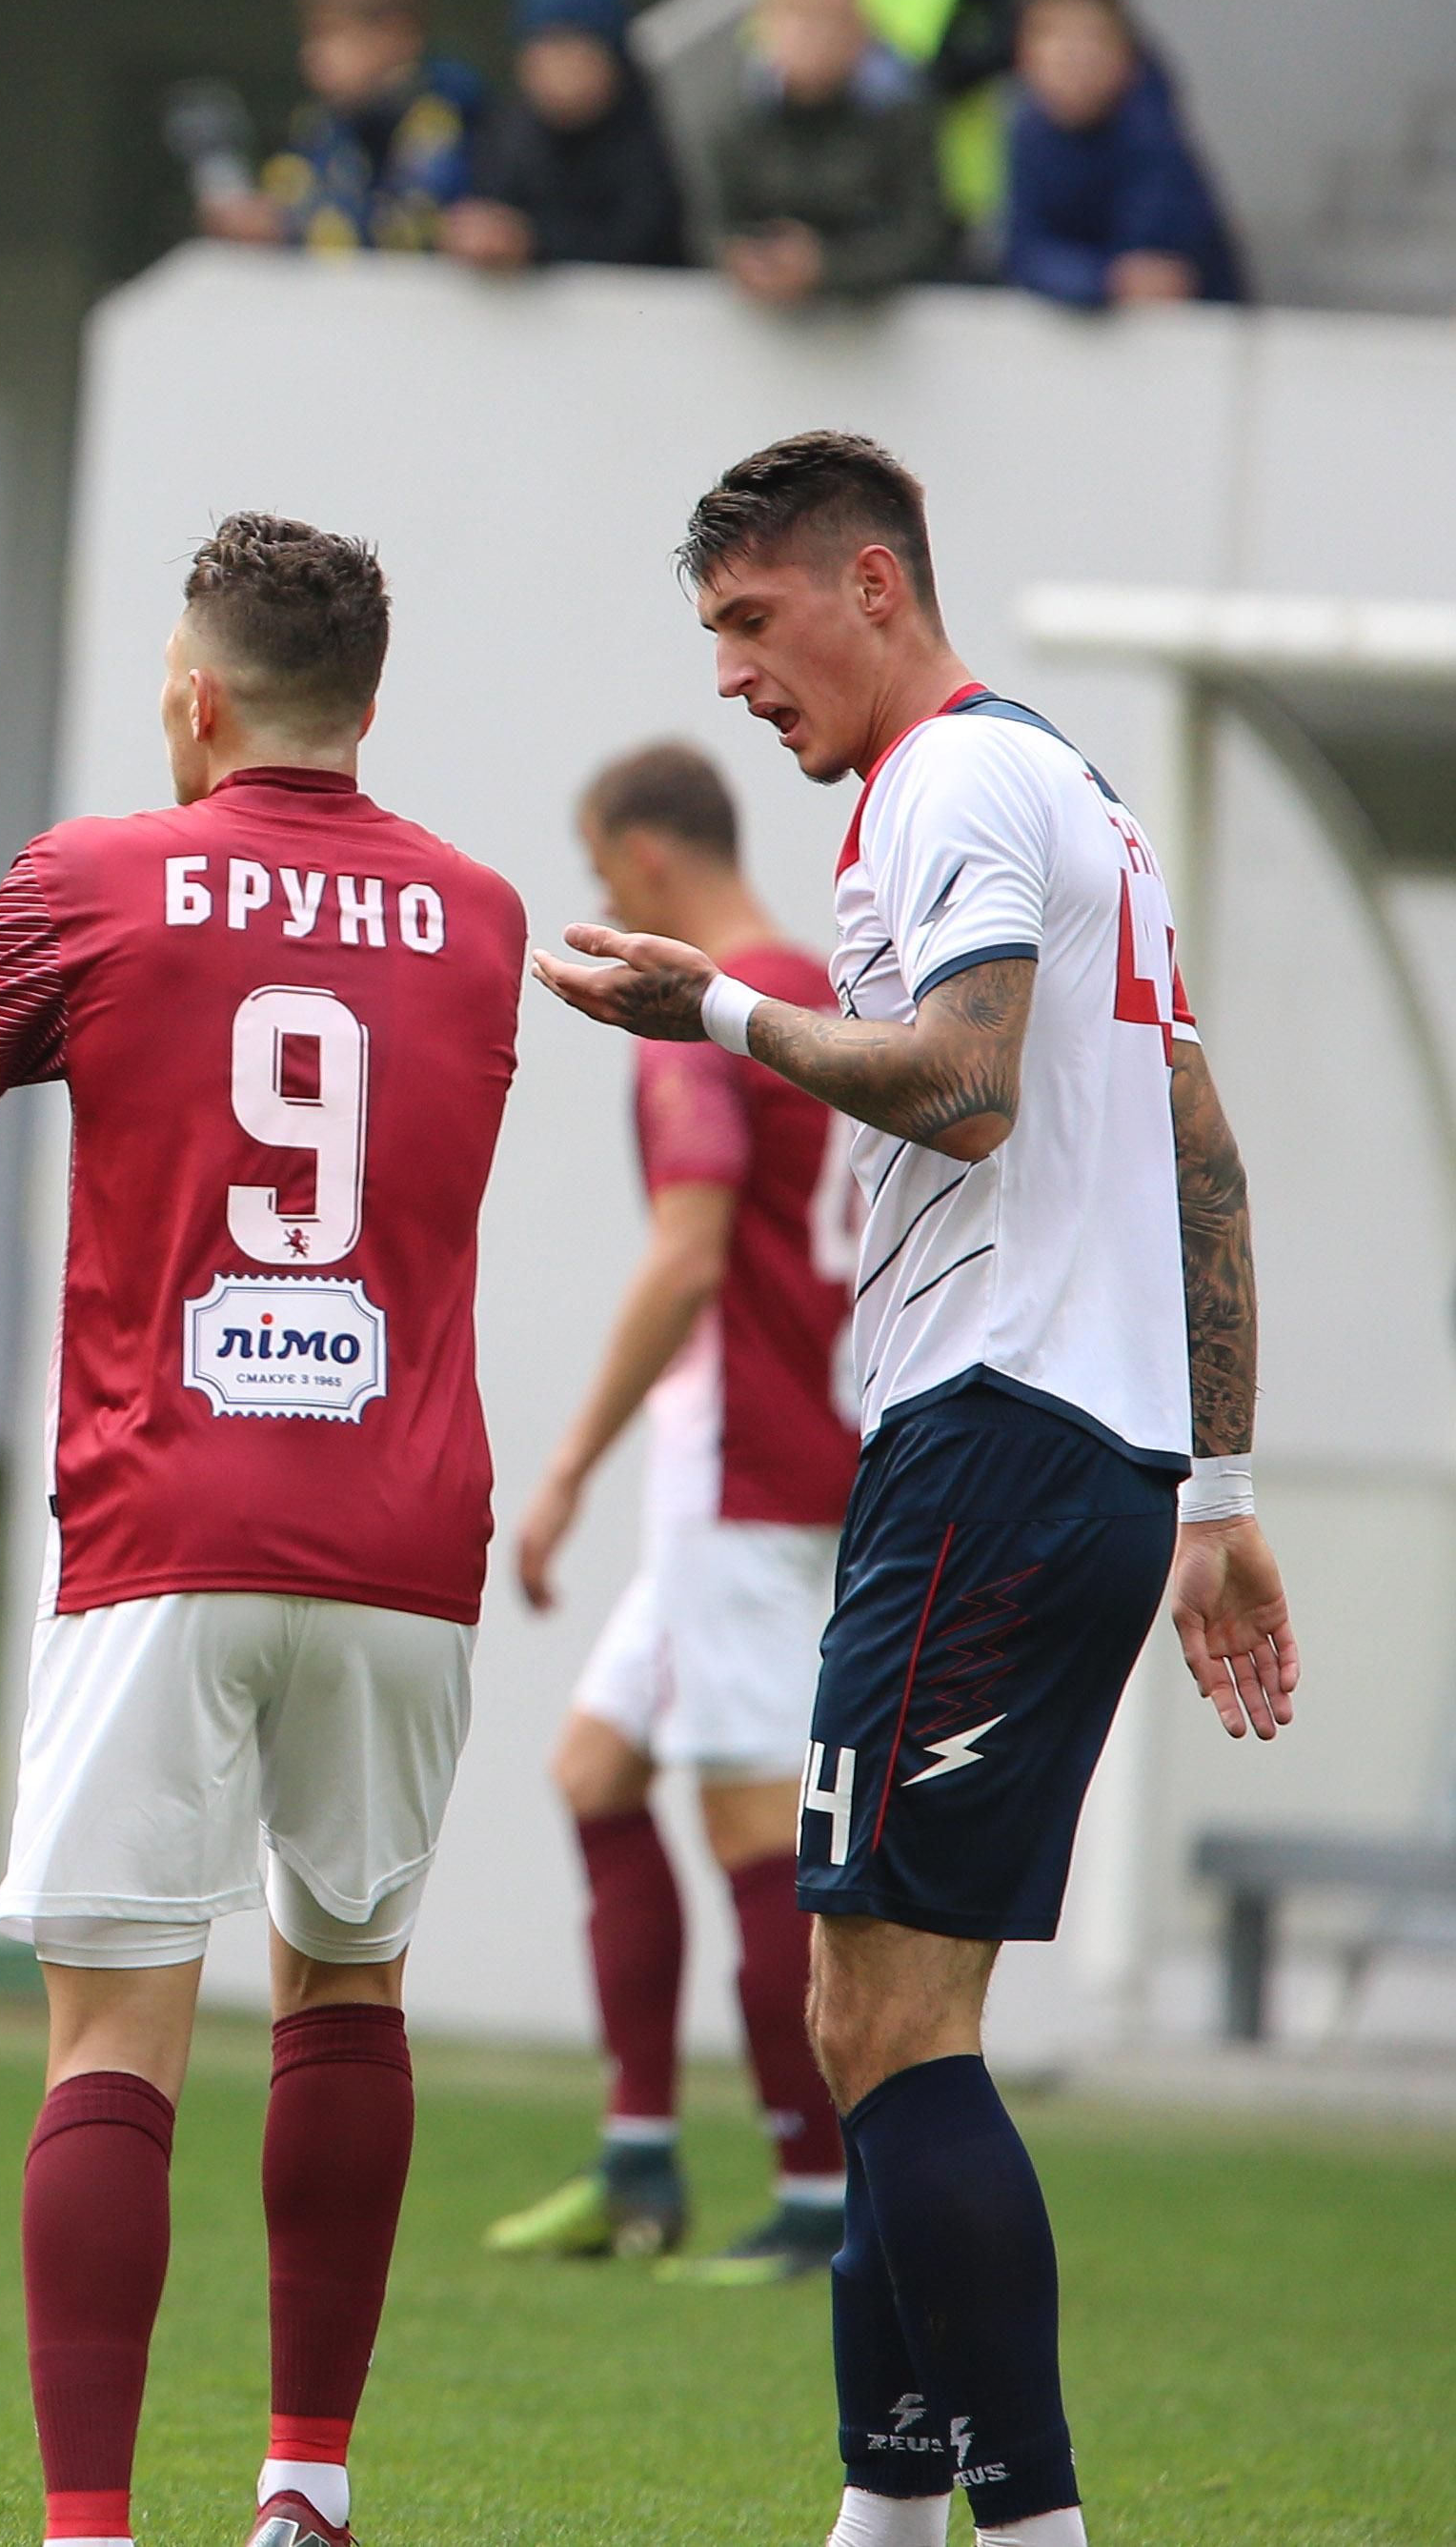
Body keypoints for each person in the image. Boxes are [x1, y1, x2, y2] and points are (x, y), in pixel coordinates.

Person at [536, 430, 1298, 2547]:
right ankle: (879, 2529)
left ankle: (1031, 2534)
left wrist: (714, 1010)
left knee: (876, 2013)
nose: (731, 679)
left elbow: (960, 1085)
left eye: (750, 625)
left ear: (870, 585)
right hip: (1077, 1450)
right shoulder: (1069, 791)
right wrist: (1212, 1483)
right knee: (869, 2008)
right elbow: (1198, 1145)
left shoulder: (952, 784)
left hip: (987, 1436)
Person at [0, 512, 525, 2547]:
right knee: (347, 1984)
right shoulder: (482, 913)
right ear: (368, 705)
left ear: (191, 699)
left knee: (113, 2021)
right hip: (399, 1535)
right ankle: (305, 2492)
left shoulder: (92, 878)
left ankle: (87, 2527)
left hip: (167, 1518)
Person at [481, 741, 856, 2287]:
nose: (593, 901)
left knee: (748, 1821)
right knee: (595, 1767)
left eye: (591, 869)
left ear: (638, 859)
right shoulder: (813, 994)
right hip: (813, 1442)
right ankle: (638, 2162)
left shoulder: (687, 1009)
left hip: (744, 1471)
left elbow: (687, 1252)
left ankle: (819, 2193)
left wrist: (566, 1463)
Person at [713, 0, 957, 309]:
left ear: (860, 35)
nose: (813, 35)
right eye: (798, 16)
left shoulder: (898, 113)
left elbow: (923, 233)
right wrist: (745, 261)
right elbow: (713, 223)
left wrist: (826, 265)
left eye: (829, 20)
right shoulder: (736, 117)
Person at [1002, 0, 1242, 311]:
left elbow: (1153, 270)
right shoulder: (1026, 129)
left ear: (1125, 56)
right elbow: (1024, 254)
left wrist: (1094, 279)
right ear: (1024, 56)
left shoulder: (1152, 133)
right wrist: (1104, 280)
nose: (1073, 56)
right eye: (1053, 36)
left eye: (1091, 38)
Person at [207, 0, 483, 258]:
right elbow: (285, 188)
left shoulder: (443, 114)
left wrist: (290, 227)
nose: (311, 55)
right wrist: (259, 219)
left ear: (396, 35)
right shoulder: (325, 122)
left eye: (331, 35)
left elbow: (411, 228)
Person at [443, 0, 689, 274]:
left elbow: (637, 242)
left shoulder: (653, 143)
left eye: (574, 52)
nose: (559, 72)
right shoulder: (507, 135)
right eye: (544, 53)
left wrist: (532, 244)